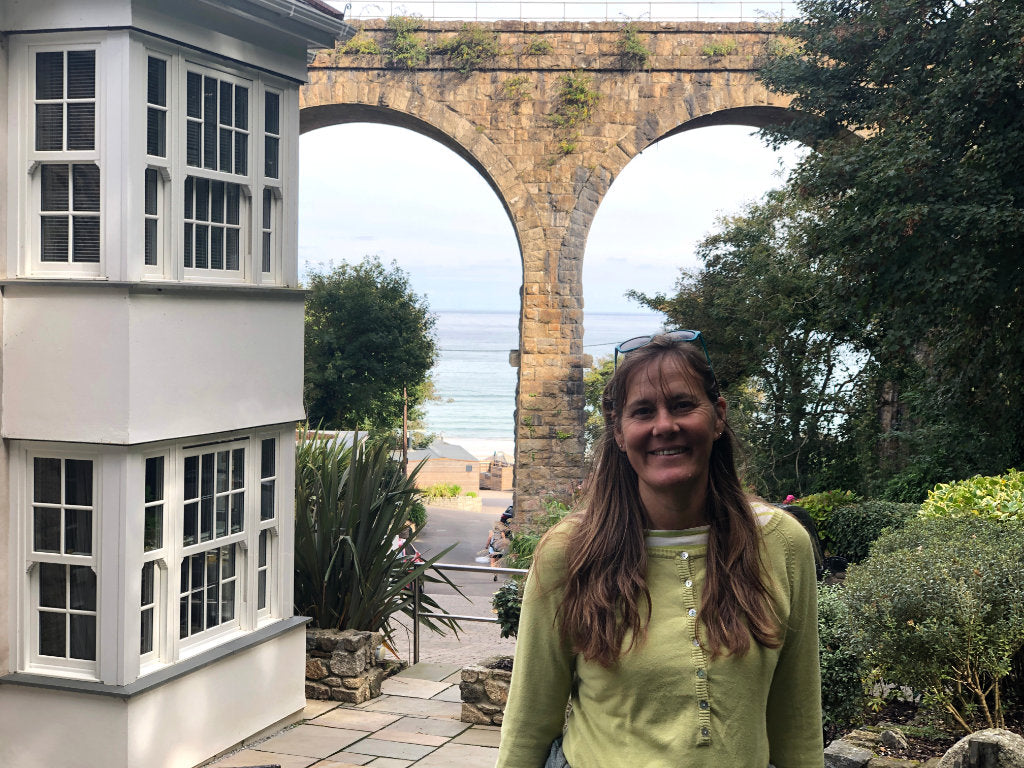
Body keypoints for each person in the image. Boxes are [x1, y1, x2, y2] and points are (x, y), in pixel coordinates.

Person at [496, 331, 823, 768]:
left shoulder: (781, 543)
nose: (664, 426)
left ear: (718, 416)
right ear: (618, 431)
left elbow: (796, 717)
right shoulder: (569, 552)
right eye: (643, 411)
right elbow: (529, 721)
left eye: (683, 405)